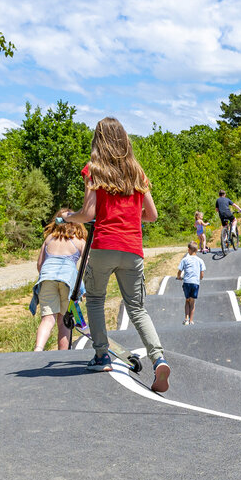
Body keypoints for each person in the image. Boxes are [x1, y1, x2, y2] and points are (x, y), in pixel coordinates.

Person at [63, 117, 170, 393]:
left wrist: (68, 218)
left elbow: (88, 214)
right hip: (132, 248)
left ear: (99, 139)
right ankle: (158, 359)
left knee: (97, 299)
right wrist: (131, 218)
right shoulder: (137, 172)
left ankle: (101, 356)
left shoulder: (94, 170)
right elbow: (153, 215)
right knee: (137, 308)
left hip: (104, 245)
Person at [30, 211, 87, 351]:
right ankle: (63, 353)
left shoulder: (49, 239)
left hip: (47, 279)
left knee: (48, 319)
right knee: (64, 321)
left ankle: (38, 349)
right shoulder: (79, 241)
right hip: (68, 282)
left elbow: (39, 264)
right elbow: (87, 265)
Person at [176, 242, 206, 325]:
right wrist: (199, 278)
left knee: (187, 300)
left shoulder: (185, 259)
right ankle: (191, 320)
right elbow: (202, 274)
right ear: (196, 250)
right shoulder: (200, 260)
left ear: (189, 249)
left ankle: (186, 319)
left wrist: (179, 277)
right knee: (192, 302)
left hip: (187, 282)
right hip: (195, 283)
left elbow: (179, 271)